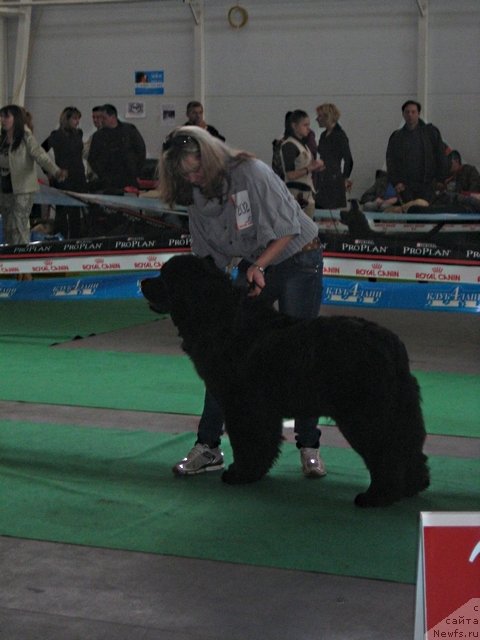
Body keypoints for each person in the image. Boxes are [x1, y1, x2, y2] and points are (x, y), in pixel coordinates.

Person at [158, 125, 326, 478]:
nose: (194, 177)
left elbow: (288, 230)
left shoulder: (251, 172)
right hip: (255, 264)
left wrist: (259, 266)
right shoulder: (194, 194)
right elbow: (208, 256)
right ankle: (208, 446)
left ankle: (309, 445)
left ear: (210, 155)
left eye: (197, 169)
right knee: (222, 357)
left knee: (304, 355)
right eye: (186, 174)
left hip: (297, 259)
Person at [0, 104, 67, 249]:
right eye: (1, 116)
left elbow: (40, 155)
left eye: (6, 116)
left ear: (16, 119)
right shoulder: (3, 138)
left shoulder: (25, 136)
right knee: (8, 226)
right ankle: (12, 262)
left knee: (20, 224)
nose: (2, 119)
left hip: (22, 188)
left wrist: (55, 171)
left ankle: (24, 261)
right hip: (5, 188)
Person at [386, 100, 448, 204]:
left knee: (426, 214)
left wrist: (440, 179)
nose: (410, 115)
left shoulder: (431, 133)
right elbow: (391, 162)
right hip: (405, 187)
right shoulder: (396, 137)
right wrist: (396, 182)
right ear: (403, 114)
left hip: (428, 186)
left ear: (419, 114)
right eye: (407, 112)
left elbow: (441, 156)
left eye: (413, 112)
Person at [42, 106, 87, 238]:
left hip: (78, 177)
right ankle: (60, 239)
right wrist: (49, 171)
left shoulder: (79, 134)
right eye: (75, 118)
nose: (77, 121)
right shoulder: (55, 136)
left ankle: (75, 241)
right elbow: (40, 151)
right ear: (66, 119)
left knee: (75, 213)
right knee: (61, 213)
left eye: (78, 118)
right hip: (63, 179)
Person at [87, 103, 146, 193]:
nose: (101, 121)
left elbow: (141, 151)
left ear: (113, 117)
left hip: (129, 178)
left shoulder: (129, 130)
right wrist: (102, 174)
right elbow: (92, 158)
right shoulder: (98, 136)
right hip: (108, 180)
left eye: (104, 118)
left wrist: (137, 172)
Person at [280, 110, 324, 218]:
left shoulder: (304, 145)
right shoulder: (289, 145)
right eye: (305, 125)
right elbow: (290, 175)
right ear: (294, 126)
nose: (308, 128)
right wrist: (309, 168)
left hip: (307, 193)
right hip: (296, 194)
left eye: (308, 125)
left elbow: (307, 167)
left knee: (309, 230)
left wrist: (316, 167)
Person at [315, 103, 353, 209]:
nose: (317, 119)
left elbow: (348, 159)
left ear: (328, 117)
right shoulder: (323, 135)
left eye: (319, 116)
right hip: (323, 178)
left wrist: (345, 178)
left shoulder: (340, 135)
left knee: (329, 210)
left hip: (334, 179)